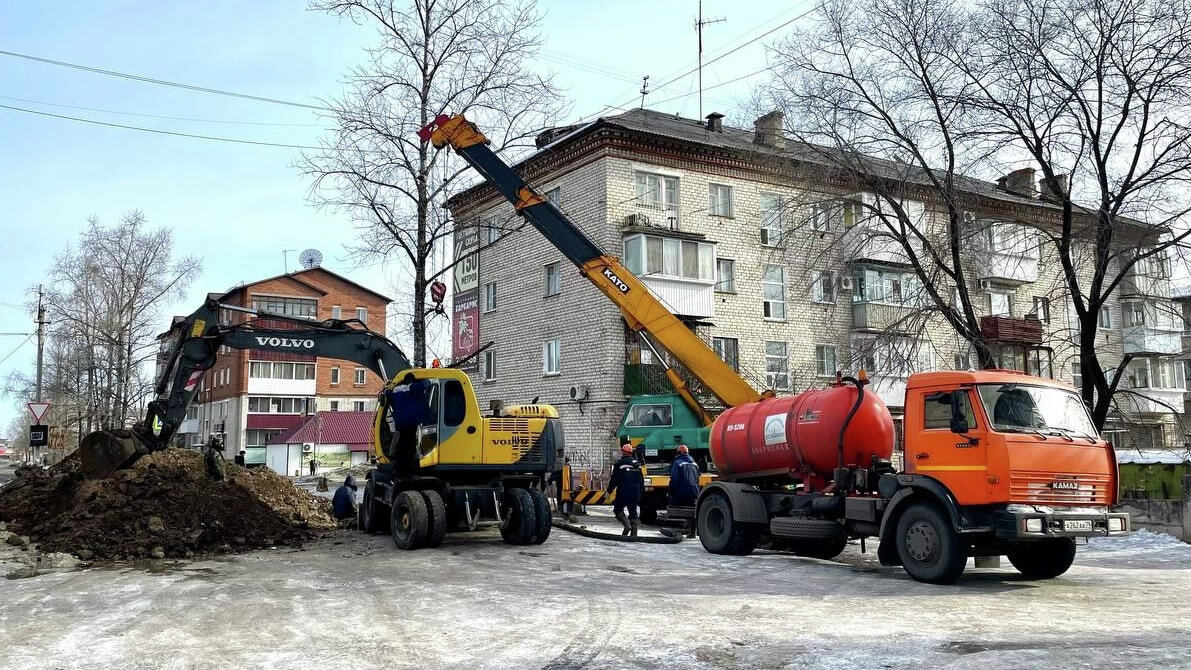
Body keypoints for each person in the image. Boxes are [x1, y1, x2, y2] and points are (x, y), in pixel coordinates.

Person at [607, 443, 644, 537]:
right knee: (633, 513)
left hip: (623, 492)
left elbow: (614, 479)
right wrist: (641, 492)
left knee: (617, 509)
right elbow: (641, 480)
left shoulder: (619, 464)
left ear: (623, 452)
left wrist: (609, 491)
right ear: (631, 453)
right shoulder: (637, 464)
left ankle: (627, 525)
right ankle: (634, 535)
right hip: (635, 492)